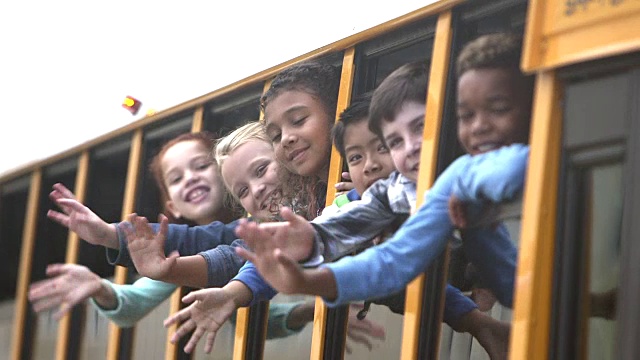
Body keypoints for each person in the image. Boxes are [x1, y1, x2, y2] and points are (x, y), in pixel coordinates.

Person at [236, 33, 530, 310]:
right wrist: (311, 250)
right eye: (394, 142)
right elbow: (389, 261)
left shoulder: (463, 178)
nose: (412, 147)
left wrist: (470, 191)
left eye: (421, 128)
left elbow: (514, 167)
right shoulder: (419, 188)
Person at [27, 132, 319, 342]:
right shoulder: (181, 257)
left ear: (226, 172)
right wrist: (100, 287)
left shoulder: (265, 221)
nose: (190, 178)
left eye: (202, 166)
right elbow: (250, 316)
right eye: (176, 179)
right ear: (172, 207)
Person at [125, 121, 384, 354]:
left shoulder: (338, 194)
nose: (258, 189)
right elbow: (247, 257)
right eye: (243, 190)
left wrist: (362, 191)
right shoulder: (271, 226)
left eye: (261, 170)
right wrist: (232, 293)